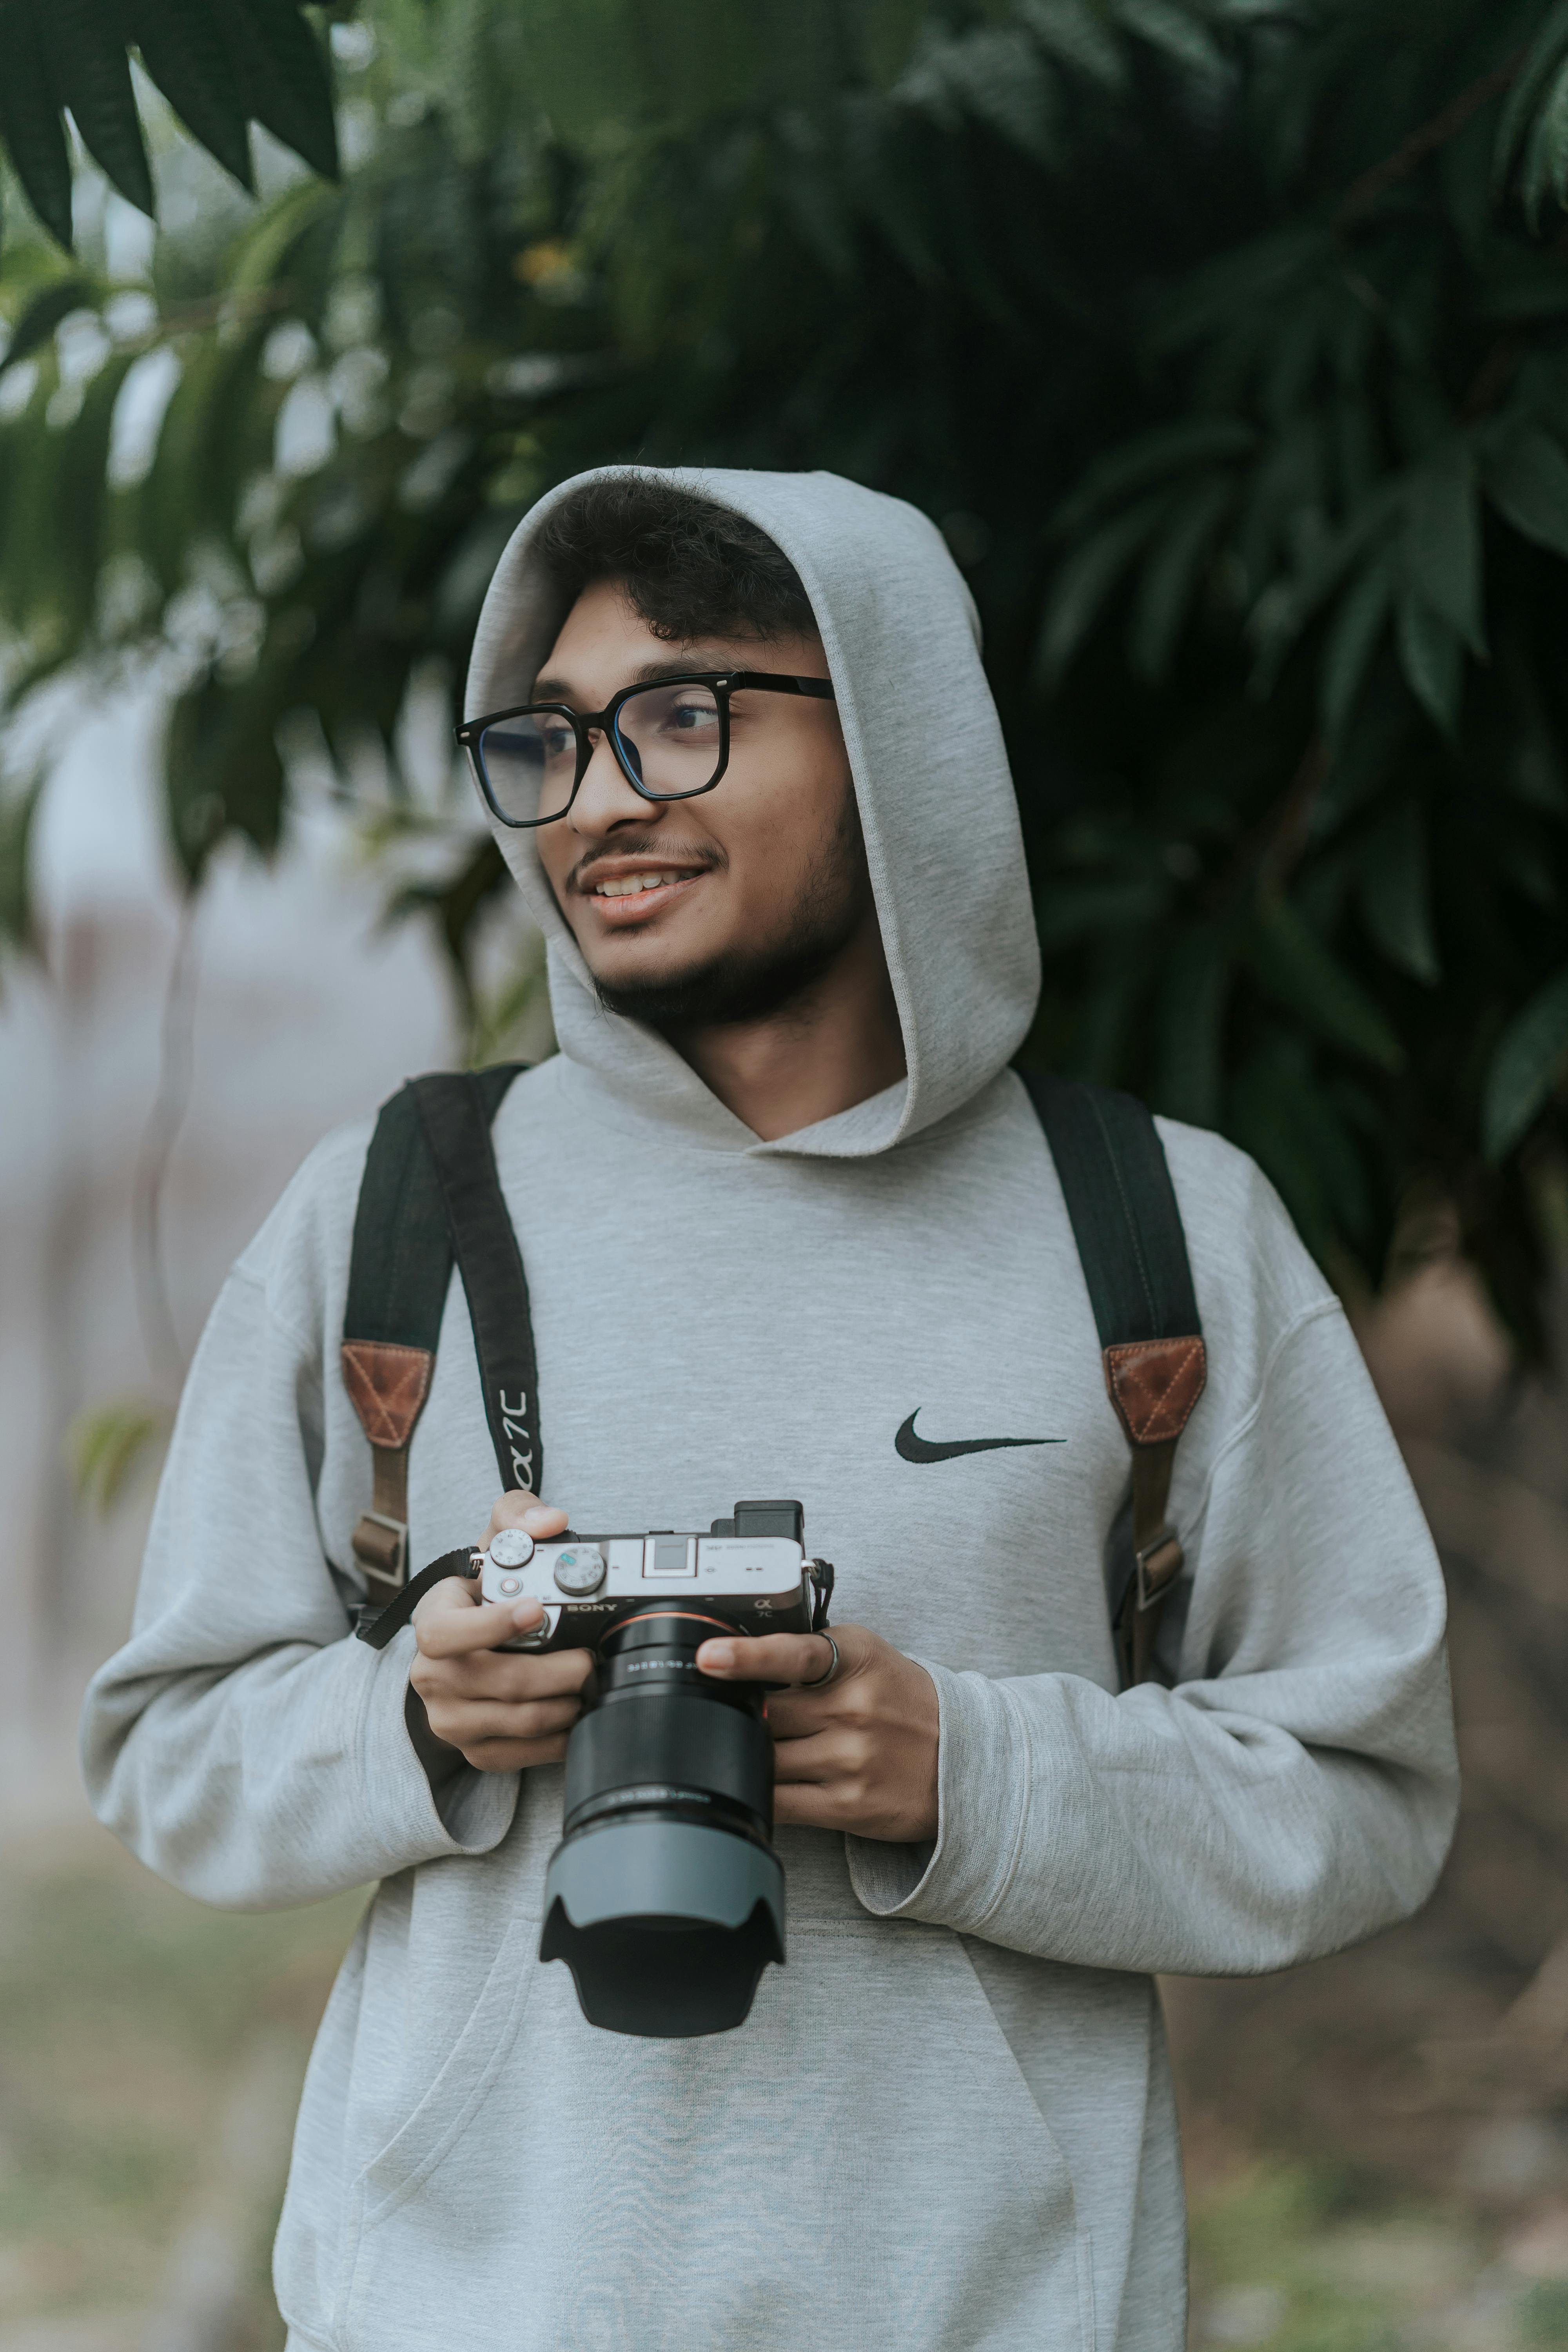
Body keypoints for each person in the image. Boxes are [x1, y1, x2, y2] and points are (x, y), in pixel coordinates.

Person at [82, 467, 1458, 2352]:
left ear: (893, 733)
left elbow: (1366, 1793)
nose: (601, 802)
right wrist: (418, 1712)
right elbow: (171, 1749)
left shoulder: (1155, 1229)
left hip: (992, 2312)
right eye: (544, 742)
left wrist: (970, 1774)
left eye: (680, 715)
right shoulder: (393, 1214)